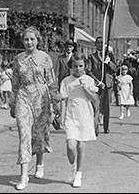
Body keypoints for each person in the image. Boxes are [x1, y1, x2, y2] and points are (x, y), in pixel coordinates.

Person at [9, 26, 61, 190]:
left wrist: (56, 101)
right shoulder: (18, 59)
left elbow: (51, 81)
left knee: (39, 132)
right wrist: (12, 104)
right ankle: (24, 176)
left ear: (37, 40)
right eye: (26, 39)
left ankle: (40, 162)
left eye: (32, 39)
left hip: (41, 98)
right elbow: (15, 84)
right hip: (23, 98)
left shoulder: (45, 58)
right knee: (24, 135)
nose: (29, 42)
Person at [60, 53, 99, 188]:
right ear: (71, 66)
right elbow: (64, 100)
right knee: (71, 145)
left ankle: (79, 174)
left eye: (81, 66)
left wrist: (85, 87)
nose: (78, 69)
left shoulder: (88, 80)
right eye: (75, 66)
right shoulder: (66, 81)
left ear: (85, 66)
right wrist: (62, 116)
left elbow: (94, 99)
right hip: (71, 115)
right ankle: (72, 166)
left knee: (81, 145)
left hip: (85, 115)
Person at [87, 36, 117, 134]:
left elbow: (115, 69)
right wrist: (96, 81)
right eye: (98, 43)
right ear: (95, 45)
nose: (100, 45)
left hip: (107, 84)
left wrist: (109, 63)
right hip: (97, 84)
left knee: (106, 106)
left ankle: (106, 127)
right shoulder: (92, 56)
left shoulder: (109, 55)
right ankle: (95, 127)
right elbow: (89, 70)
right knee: (96, 105)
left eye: (101, 43)